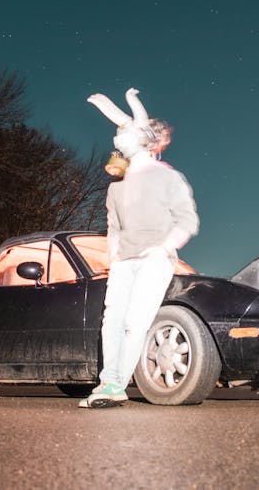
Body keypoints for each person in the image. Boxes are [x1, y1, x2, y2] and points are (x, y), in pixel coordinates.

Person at [80, 88, 199, 408]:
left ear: (144, 139)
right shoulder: (116, 186)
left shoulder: (168, 177)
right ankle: (107, 381)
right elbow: (113, 224)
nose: (119, 138)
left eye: (126, 132)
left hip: (154, 260)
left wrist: (163, 248)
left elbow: (187, 221)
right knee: (112, 320)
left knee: (135, 322)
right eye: (118, 133)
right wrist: (115, 253)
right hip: (124, 261)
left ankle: (118, 384)